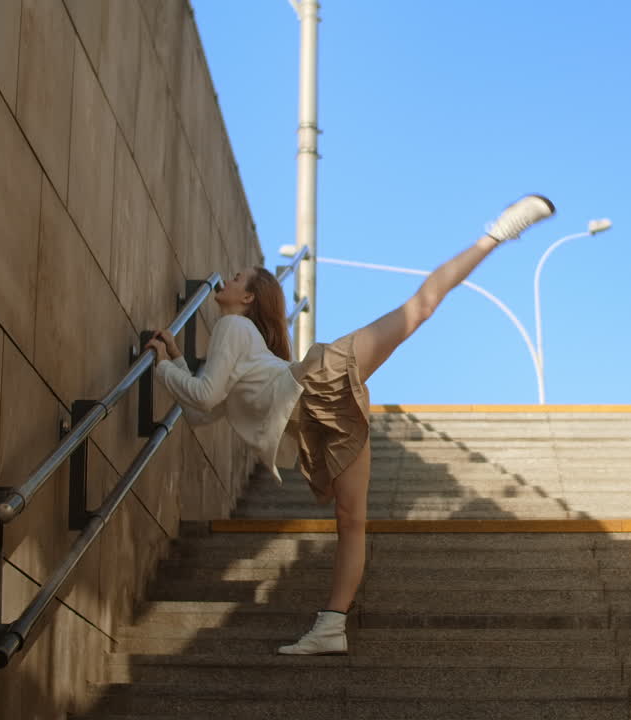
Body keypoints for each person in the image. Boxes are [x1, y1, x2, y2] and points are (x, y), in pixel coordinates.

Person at [145, 195, 556, 655]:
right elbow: (202, 412)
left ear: (247, 298)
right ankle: (331, 626)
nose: (228, 277)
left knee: (417, 310)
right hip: (319, 417)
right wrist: (176, 361)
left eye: (238, 277)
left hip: (319, 381)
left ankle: (496, 234)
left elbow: (202, 397)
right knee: (351, 521)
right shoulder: (241, 342)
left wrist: (163, 369)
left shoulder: (233, 328)